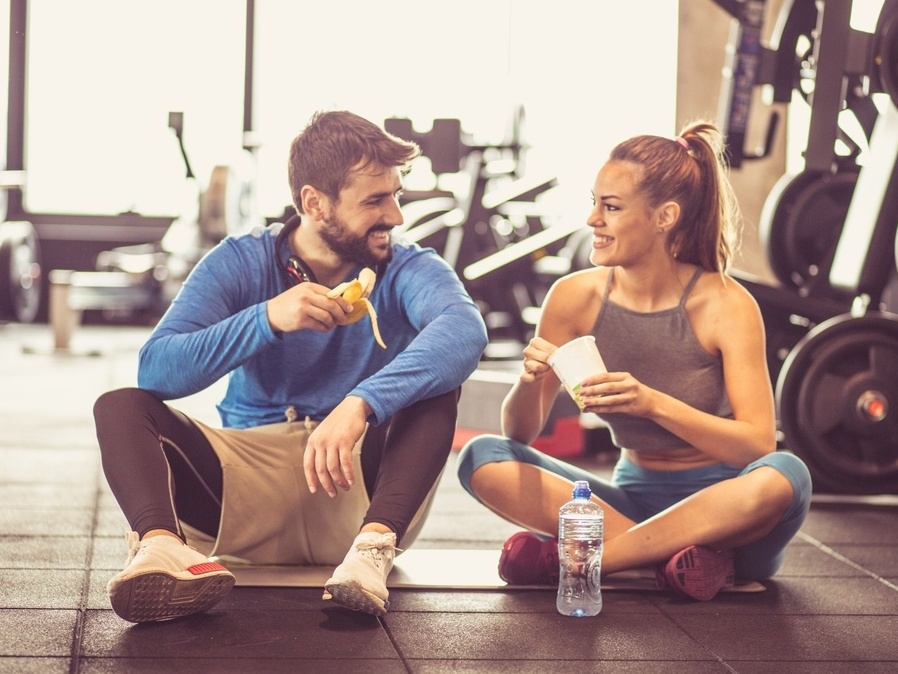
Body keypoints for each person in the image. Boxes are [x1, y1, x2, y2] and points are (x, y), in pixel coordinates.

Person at [95, 110, 488, 622]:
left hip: (362, 496)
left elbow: (465, 330)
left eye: (396, 195)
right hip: (243, 491)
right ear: (313, 202)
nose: (395, 215)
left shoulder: (407, 266)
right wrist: (267, 318)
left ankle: (371, 554)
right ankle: (162, 549)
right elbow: (156, 371)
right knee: (121, 406)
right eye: (375, 200)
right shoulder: (241, 261)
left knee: (438, 384)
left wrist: (361, 402)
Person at [456, 121, 812, 601]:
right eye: (594, 202)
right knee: (483, 457)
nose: (592, 220)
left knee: (787, 475)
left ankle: (594, 561)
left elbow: (756, 445)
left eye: (611, 207)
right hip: (629, 502)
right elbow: (520, 435)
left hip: (726, 514)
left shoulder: (726, 304)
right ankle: (666, 561)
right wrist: (528, 379)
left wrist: (652, 404)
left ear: (664, 217)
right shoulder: (572, 297)